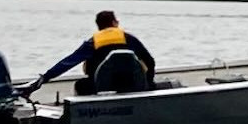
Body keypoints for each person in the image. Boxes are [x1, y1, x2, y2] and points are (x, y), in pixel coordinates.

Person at [20, 10, 156, 96]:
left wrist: (44, 78)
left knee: (80, 85)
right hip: (131, 84)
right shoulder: (129, 38)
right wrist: (148, 83)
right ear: (114, 23)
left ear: (99, 26)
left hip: (101, 86)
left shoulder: (93, 42)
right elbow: (150, 62)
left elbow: (67, 63)